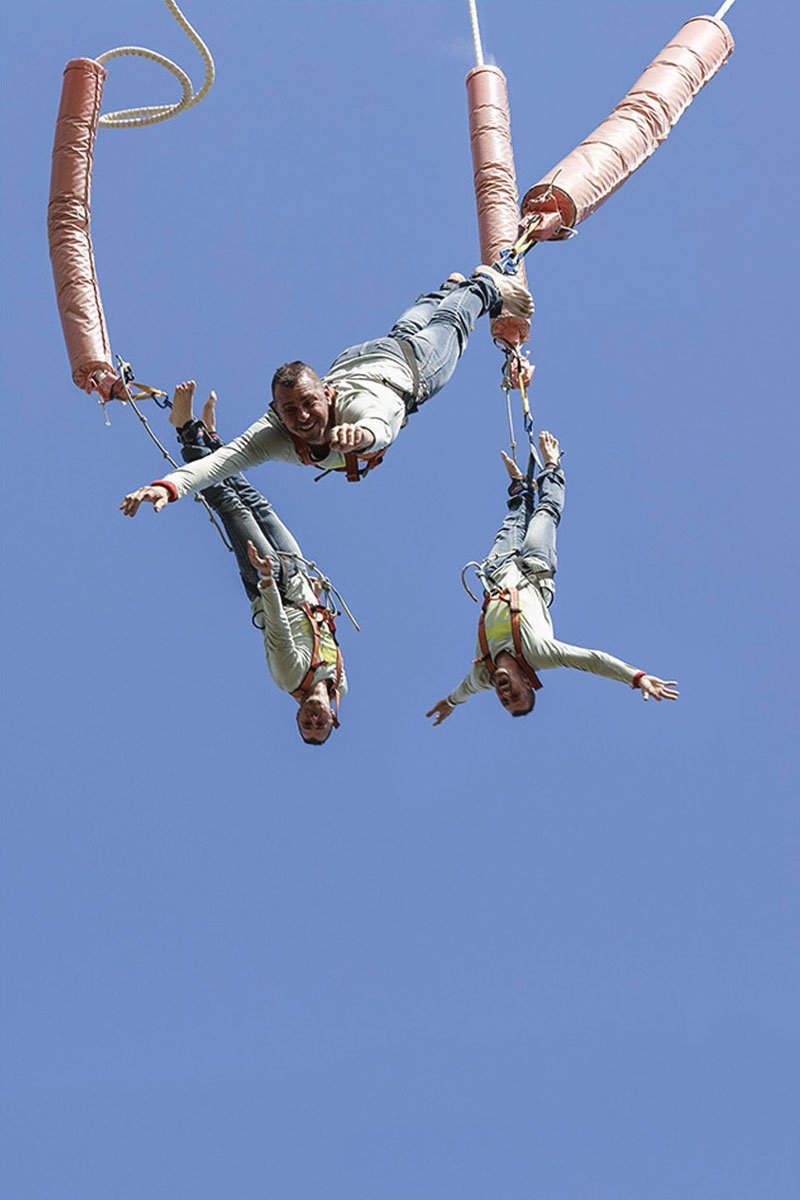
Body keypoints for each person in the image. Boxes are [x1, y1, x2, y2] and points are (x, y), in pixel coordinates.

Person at [119, 265, 533, 514]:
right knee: (406, 326)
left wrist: (363, 434)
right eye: (289, 411)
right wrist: (167, 486)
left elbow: (381, 420)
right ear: (274, 412)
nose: (301, 417)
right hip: (368, 355)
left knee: (450, 326)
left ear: (328, 396)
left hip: (408, 368)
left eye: (307, 404)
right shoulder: (275, 434)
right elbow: (221, 463)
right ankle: (444, 289)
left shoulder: (356, 407)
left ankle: (482, 286)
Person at [426, 431, 679, 725]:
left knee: (514, 520)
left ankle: (520, 488)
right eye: (516, 697)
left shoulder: (482, 674)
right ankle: (552, 467)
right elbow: (592, 661)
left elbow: (463, 691)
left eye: (503, 702)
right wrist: (637, 678)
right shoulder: (540, 654)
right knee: (546, 513)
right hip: (535, 570)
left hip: (497, 572)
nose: (504, 696)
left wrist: (450, 703)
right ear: (528, 683)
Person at [168, 381, 348, 745]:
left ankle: (185, 428)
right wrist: (314, 596)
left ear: (298, 714)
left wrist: (266, 579)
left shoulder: (288, 677)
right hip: (298, 577)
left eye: (307, 724)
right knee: (257, 501)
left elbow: (280, 627)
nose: (314, 719)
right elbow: (323, 632)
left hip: (272, 586)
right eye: (320, 724)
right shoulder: (339, 680)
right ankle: (211, 436)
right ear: (333, 718)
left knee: (229, 503)